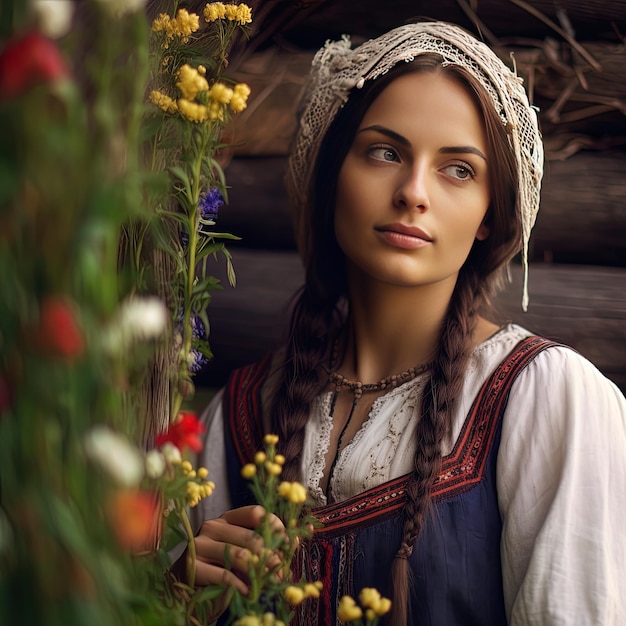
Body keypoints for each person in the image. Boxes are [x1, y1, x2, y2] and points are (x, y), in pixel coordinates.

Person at [190, 21, 626, 626]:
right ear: (331, 175)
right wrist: (180, 598)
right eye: (385, 152)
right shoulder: (239, 415)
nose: (413, 192)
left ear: (486, 217)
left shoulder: (547, 398)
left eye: (458, 170)